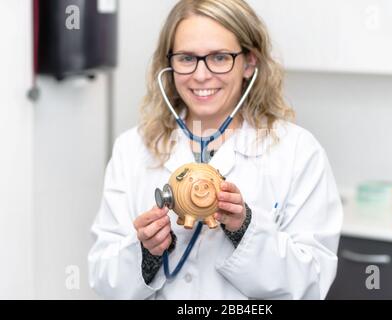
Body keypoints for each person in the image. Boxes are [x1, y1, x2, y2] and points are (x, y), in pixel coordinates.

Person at [88, 0, 343, 300]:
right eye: (186, 58)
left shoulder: (297, 152)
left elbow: (312, 282)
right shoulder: (133, 149)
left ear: (249, 63)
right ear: (169, 65)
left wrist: (245, 228)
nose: (200, 75)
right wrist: (146, 252)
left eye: (220, 58)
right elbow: (104, 281)